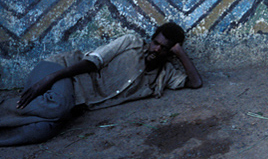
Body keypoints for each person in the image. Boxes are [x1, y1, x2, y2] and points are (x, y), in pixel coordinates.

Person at [0, 22, 202, 146]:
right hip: (58, 70)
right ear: (151, 40)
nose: (156, 50)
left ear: (171, 51)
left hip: (71, 101)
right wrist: (50, 78)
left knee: (42, 130)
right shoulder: (131, 42)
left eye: (164, 48)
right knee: (58, 106)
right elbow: (93, 61)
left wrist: (180, 52)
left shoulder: (164, 75)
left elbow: (195, 83)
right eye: (155, 43)